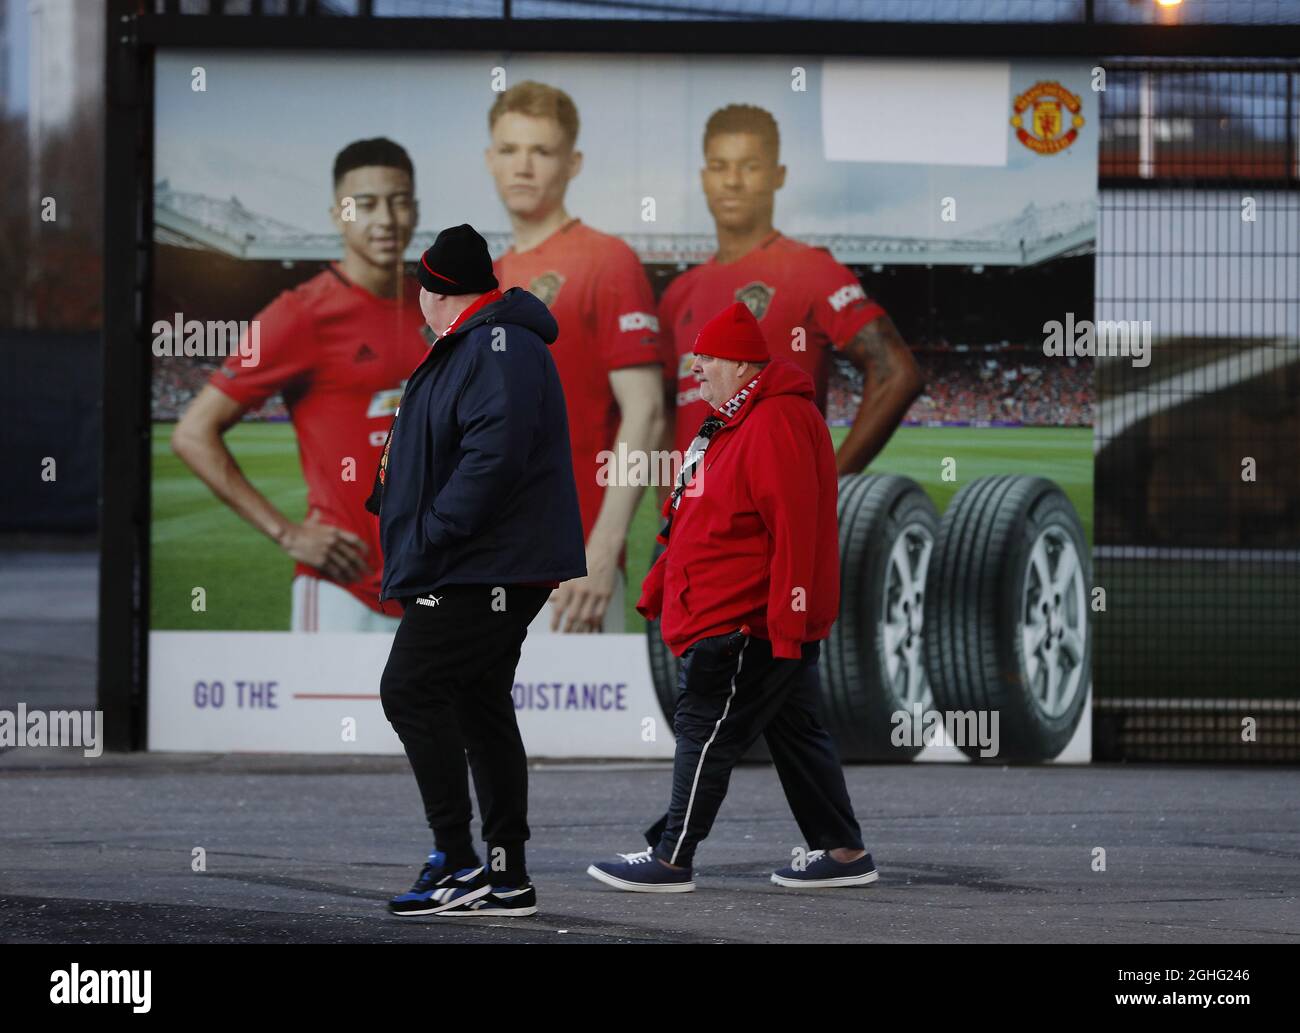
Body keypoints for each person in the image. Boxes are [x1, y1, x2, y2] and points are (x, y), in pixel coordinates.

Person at [588, 303, 875, 893]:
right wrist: (658, 588)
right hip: (741, 618)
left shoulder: (774, 422)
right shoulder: (730, 422)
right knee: (794, 732)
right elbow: (689, 518)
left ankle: (670, 858)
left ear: (741, 364)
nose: (696, 367)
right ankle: (845, 853)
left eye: (707, 357)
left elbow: (796, 529)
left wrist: (789, 621)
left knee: (704, 728)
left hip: (748, 622)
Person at [370, 224, 585, 917]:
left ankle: (459, 861)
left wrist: (433, 533)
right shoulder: (483, 341)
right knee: (479, 704)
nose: (419, 303)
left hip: (481, 565)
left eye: (422, 289)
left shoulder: (495, 343)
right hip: (483, 562)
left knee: (409, 688)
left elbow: (494, 457)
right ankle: (504, 875)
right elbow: (457, 444)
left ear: (439, 291)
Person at [171, 137, 427, 631]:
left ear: (415, 210)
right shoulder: (300, 314)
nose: (386, 219)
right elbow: (192, 433)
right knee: (331, 713)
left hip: (436, 594)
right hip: (346, 593)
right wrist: (287, 534)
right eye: (366, 204)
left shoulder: (439, 309)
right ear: (338, 215)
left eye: (398, 202)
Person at [486, 80, 666, 633]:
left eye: (541, 151)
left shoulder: (607, 261)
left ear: (573, 162)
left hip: (569, 579)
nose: (523, 166)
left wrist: (602, 549)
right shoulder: (484, 279)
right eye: (510, 150)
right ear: (490, 160)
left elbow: (647, 412)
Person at [659, 104, 923, 479]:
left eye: (749, 166)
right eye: (719, 167)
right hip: (689, 527)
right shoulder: (678, 294)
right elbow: (665, 406)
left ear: (777, 175)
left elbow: (897, 373)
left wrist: (825, 485)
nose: (732, 181)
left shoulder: (811, 270)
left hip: (770, 527)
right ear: (704, 178)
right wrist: (671, 502)